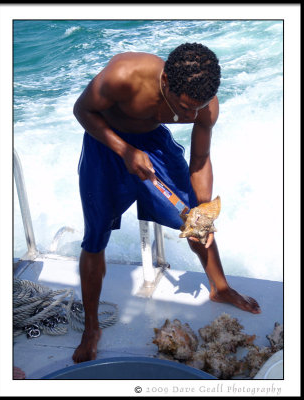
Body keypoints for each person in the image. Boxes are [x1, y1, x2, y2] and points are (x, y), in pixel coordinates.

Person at [72, 43, 261, 364]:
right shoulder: (124, 76)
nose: (190, 116)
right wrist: (124, 150)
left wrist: (201, 210)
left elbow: (200, 160)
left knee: (198, 222)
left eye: (197, 108)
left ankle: (220, 287)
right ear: (166, 85)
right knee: (95, 238)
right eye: (185, 108)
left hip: (154, 145)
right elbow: (82, 110)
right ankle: (91, 328)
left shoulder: (205, 106)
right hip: (105, 146)